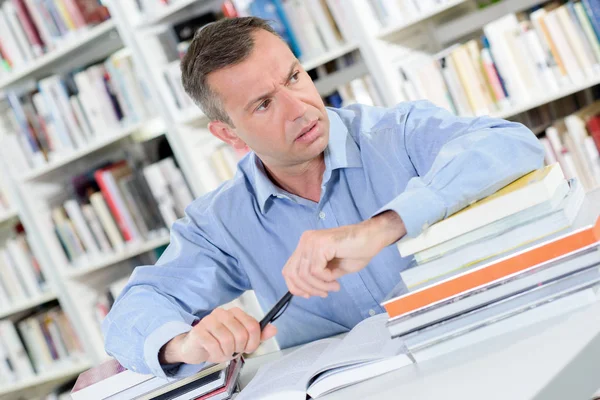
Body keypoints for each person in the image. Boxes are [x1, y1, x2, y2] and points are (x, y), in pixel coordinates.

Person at [102, 17, 544, 379]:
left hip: (485, 360)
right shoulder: (222, 221)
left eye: (294, 77)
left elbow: (513, 145)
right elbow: (131, 314)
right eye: (263, 104)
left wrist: (382, 227)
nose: (298, 107)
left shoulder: (396, 134)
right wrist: (185, 342)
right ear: (227, 134)